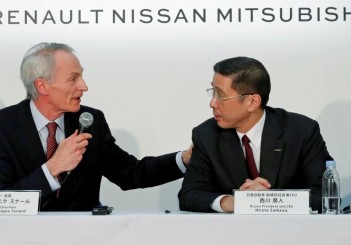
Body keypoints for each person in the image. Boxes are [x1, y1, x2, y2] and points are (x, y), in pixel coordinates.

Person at [0, 42, 192, 211]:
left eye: (81, 77)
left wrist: (183, 159)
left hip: (85, 236)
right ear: (42, 86)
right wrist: (52, 169)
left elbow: (131, 173)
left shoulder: (91, 120)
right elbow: (4, 201)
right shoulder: (4, 126)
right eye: (73, 79)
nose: (84, 86)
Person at [178, 56, 332, 213]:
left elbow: (325, 194)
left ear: (252, 102)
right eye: (213, 92)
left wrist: (269, 200)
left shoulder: (301, 131)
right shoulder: (206, 135)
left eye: (221, 95)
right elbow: (189, 195)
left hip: (292, 231)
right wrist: (230, 202)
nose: (212, 103)